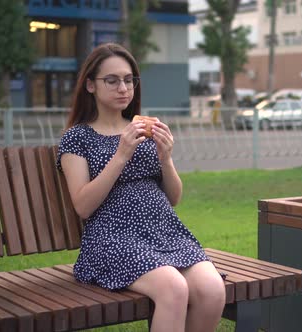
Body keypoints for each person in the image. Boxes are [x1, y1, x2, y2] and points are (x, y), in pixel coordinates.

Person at [56, 43, 226, 332]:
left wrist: (166, 157)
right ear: (90, 86)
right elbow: (83, 206)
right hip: (113, 238)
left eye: (129, 80)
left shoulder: (145, 129)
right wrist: (121, 155)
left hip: (165, 233)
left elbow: (174, 198)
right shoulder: (77, 137)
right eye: (112, 80)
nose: (123, 87)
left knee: (212, 289)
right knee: (173, 288)